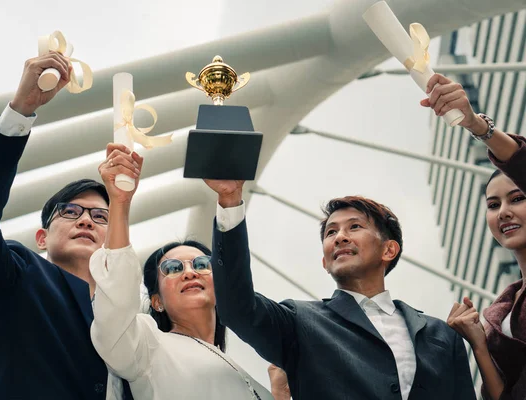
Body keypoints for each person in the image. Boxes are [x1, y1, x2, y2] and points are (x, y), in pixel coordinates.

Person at [0, 53, 133, 399]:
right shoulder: (15, 275)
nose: (87, 219)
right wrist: (19, 112)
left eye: (101, 216)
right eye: (71, 212)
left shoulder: (132, 319)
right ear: (42, 238)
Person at [204, 179, 476, 399]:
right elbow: (237, 307)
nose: (340, 237)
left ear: (389, 250)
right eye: (331, 232)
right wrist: (230, 201)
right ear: (325, 262)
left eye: (355, 226)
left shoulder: (442, 334)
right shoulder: (299, 322)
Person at [89, 144, 273, 400]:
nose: (189, 272)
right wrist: (120, 203)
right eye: (173, 269)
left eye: (201, 264)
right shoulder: (146, 346)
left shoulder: (247, 375)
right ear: (157, 302)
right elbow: (115, 303)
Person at [439, 74, 526, 399]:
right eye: (493, 204)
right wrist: (479, 343)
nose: (503, 211)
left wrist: (477, 125)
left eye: (517, 198)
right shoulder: (500, 313)